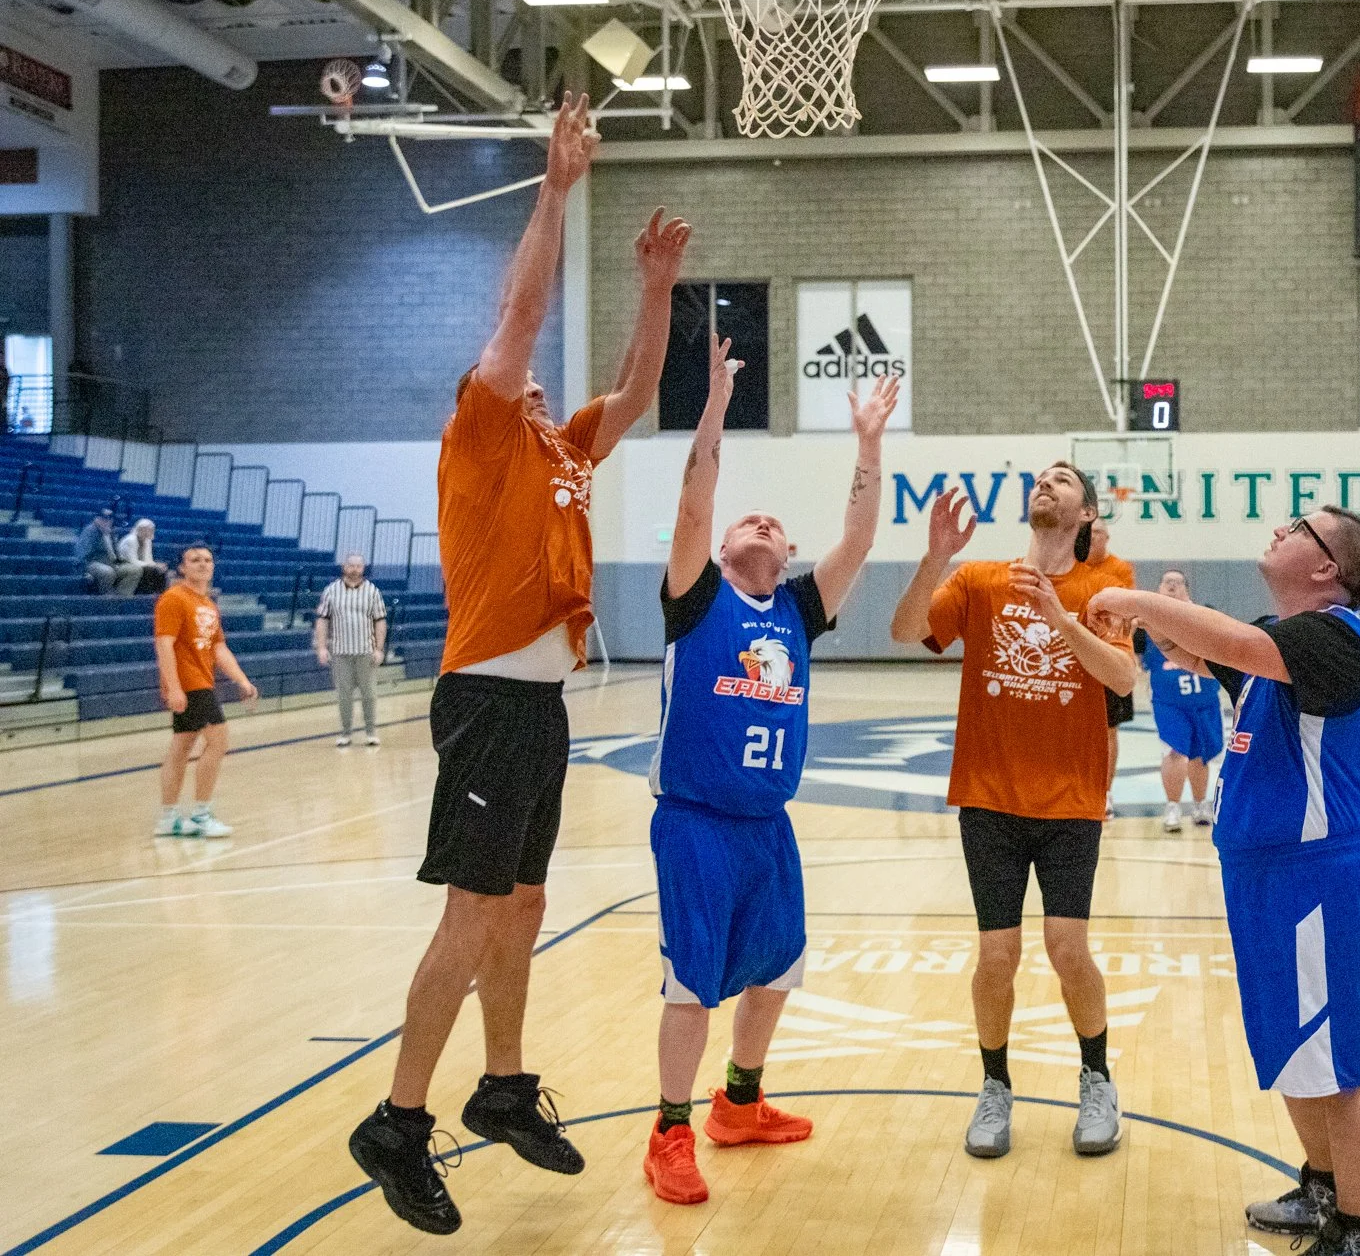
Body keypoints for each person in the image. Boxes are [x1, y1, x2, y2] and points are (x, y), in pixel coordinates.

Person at [348, 95, 693, 1236]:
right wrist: (555, 189)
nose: (532, 380)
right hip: (487, 698)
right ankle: (398, 1120)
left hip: (539, 706)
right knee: (472, 910)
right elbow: (521, 311)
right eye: (517, 372)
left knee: (526, 899)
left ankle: (500, 1086)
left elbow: (635, 392)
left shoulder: (561, 450)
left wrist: (655, 289)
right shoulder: (484, 432)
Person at [1088, 507, 1360, 1256]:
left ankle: (1359, 1232)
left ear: (1326, 568)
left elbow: (1227, 641)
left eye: (1298, 527)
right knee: (1292, 1049)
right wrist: (1147, 623)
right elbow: (1200, 649)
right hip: (1261, 875)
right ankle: (1322, 1187)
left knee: (1340, 1063)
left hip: (1316, 877)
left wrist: (1131, 597)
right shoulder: (1277, 648)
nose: (1280, 530)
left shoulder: (1334, 638)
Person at [640, 334, 897, 1205]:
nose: (760, 521)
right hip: (696, 820)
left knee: (778, 966)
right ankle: (670, 1130)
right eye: (745, 520)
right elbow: (693, 503)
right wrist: (714, 406)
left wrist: (868, 444)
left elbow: (860, 535)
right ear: (719, 550)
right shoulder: (697, 597)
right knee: (693, 983)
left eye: (774, 524)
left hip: (767, 823)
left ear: (787, 555)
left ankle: (739, 1103)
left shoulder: (798, 608)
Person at [887, 461, 1136, 1162]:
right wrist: (935, 558)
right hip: (989, 795)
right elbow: (904, 631)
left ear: (1086, 512)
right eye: (1042, 478)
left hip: (1071, 798)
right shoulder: (980, 579)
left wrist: (1059, 618)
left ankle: (1097, 1078)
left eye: (1064, 481)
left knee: (1067, 948)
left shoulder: (1106, 583)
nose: (1046, 483)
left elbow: (1122, 676)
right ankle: (994, 1085)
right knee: (997, 954)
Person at [153, 544, 259, 838]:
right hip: (190, 684)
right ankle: (201, 815)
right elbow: (164, 644)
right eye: (195, 560)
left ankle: (168, 818)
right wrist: (174, 687)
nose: (202, 564)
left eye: (207, 560)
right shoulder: (173, 598)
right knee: (218, 740)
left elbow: (218, 647)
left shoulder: (209, 605)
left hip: (203, 680)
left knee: (181, 747)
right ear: (182, 567)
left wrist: (242, 680)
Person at [1134, 570, 1223, 832]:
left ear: (1187, 589)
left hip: (1204, 699)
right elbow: (1138, 660)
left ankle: (1200, 804)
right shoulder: (1146, 624)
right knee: (1174, 752)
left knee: (1201, 754)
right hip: (1169, 702)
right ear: (1159, 588)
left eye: (1177, 582)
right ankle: (1172, 807)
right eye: (1167, 582)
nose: (1172, 586)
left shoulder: (1203, 615)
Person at [1085, 522, 1138, 810]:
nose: (1094, 537)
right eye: (1090, 532)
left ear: (1107, 537)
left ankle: (1105, 792)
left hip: (1110, 655)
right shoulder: (1073, 565)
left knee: (1109, 729)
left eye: (1099, 533)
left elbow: (1126, 613)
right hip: (1080, 655)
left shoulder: (1119, 569)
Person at [315, 552, 388, 747]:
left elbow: (380, 621)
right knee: (344, 696)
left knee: (369, 694)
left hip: (366, 652)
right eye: (351, 565)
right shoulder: (331, 591)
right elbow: (322, 621)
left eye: (358, 566)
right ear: (344, 567)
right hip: (340, 652)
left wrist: (379, 649)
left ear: (363, 568)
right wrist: (321, 647)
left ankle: (370, 732)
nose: (355, 569)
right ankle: (346, 733)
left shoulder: (373, 591)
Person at [76, 508, 137, 595]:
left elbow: (116, 552)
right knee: (107, 572)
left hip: (112, 562)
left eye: (110, 518)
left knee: (134, 570)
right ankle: (107, 596)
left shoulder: (111, 532)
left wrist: (120, 561)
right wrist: (83, 570)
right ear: (97, 519)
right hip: (93, 562)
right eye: (104, 518)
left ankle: (122, 596)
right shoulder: (90, 531)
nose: (107, 521)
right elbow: (83, 553)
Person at [117, 517, 167, 595]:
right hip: (123, 564)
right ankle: (145, 594)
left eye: (150, 530)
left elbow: (148, 559)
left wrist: (156, 565)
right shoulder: (131, 540)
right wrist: (154, 565)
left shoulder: (147, 540)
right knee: (148, 570)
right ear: (139, 529)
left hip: (138, 564)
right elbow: (132, 561)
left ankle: (160, 595)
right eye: (145, 529)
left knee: (160, 570)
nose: (147, 532)